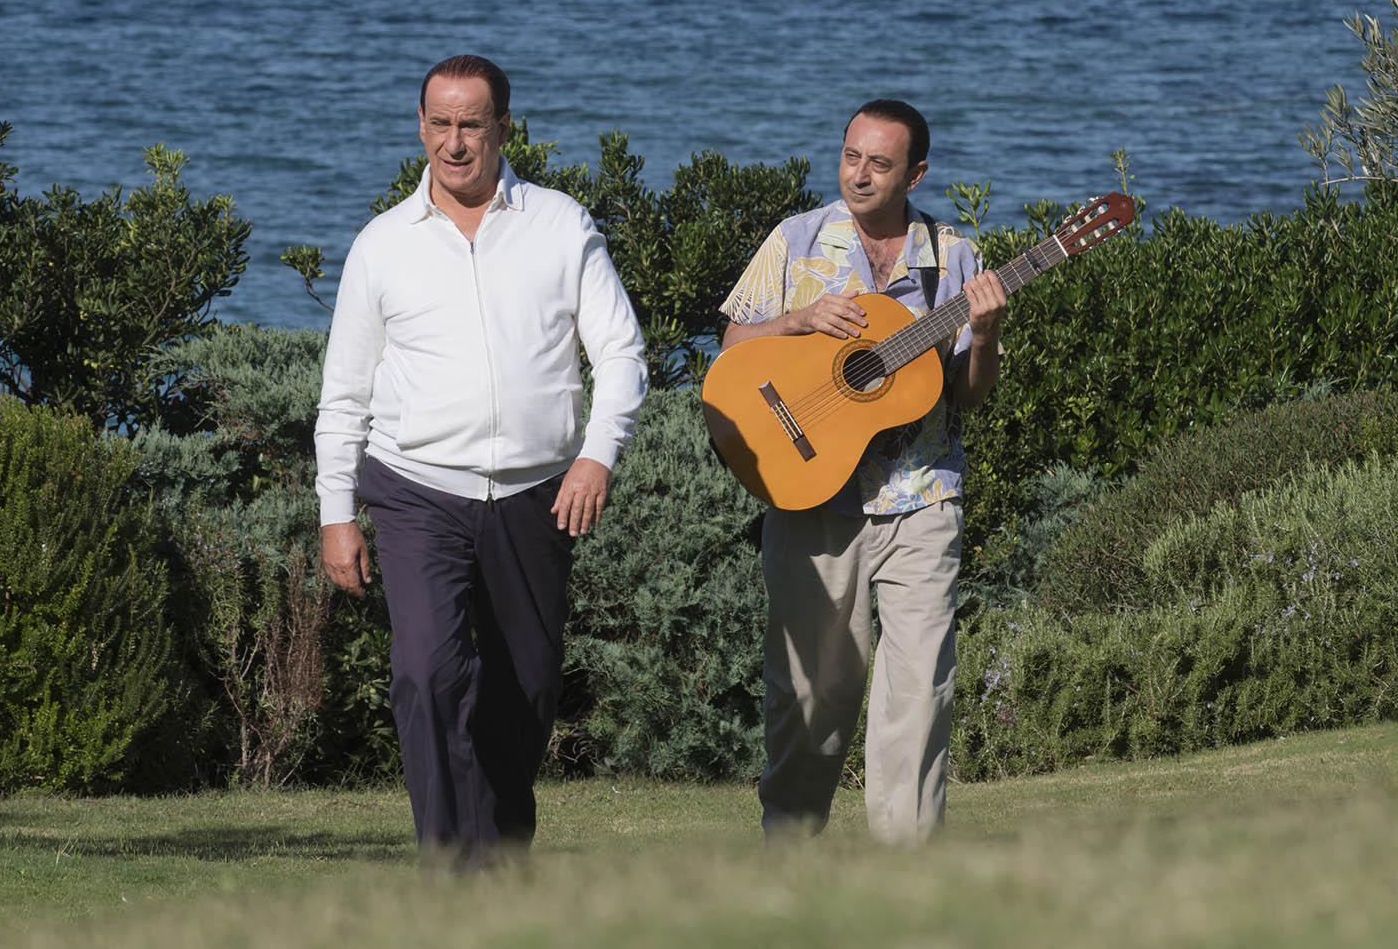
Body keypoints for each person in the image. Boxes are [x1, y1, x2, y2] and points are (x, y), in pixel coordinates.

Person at [313, 54, 648, 866]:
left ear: (503, 127)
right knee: (426, 672)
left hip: (538, 495)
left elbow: (622, 353)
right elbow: (344, 395)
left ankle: (499, 859)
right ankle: (450, 869)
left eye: (471, 124)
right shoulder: (382, 245)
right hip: (415, 492)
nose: (454, 143)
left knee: (525, 689)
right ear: (420, 126)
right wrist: (336, 514)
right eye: (439, 123)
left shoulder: (560, 225)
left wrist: (596, 457)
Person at [716, 98, 1007, 845]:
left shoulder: (956, 258)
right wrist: (799, 321)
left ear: (916, 174)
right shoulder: (797, 240)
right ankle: (789, 851)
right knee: (810, 693)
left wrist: (984, 336)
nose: (860, 175)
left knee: (919, 690)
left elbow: (970, 395)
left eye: (880, 163)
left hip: (923, 496)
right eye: (851, 157)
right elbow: (733, 349)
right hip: (811, 496)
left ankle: (905, 870)